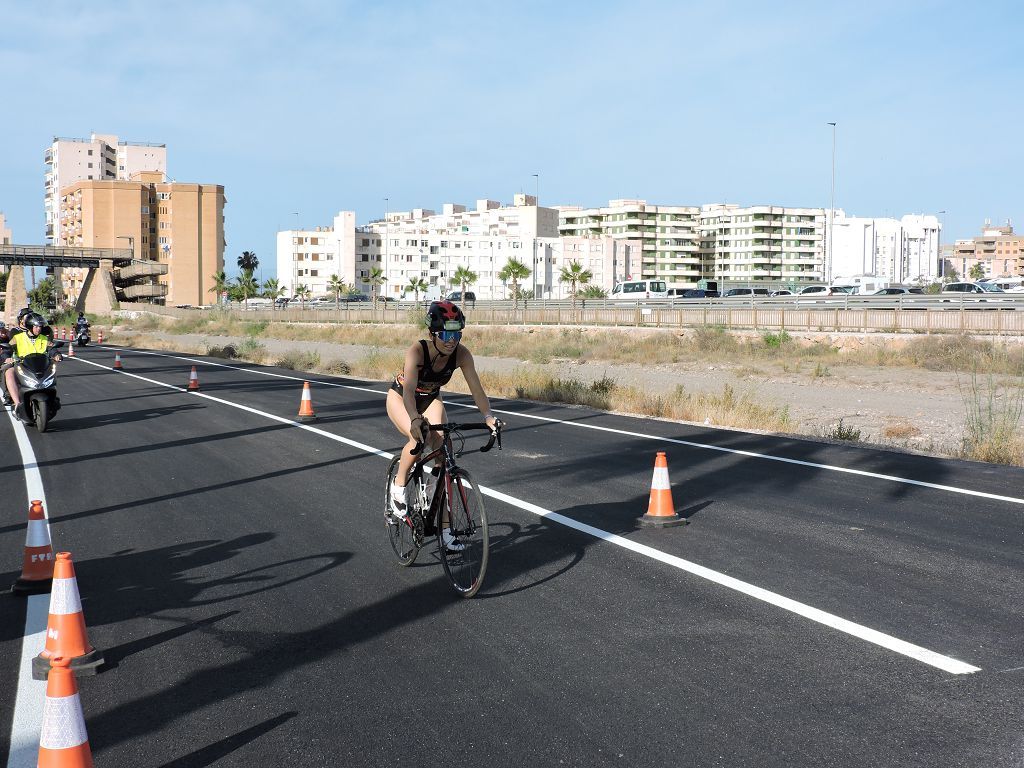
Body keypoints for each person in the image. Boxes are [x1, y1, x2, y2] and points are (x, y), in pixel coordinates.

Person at [386, 301, 499, 550]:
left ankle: (446, 530)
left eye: (457, 334)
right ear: (432, 334)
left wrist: (488, 417)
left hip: (431, 398)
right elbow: (407, 393)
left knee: (445, 454)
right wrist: (415, 418)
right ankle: (399, 486)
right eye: (446, 334)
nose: (452, 340)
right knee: (419, 439)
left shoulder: (462, 354)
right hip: (402, 397)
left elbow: (476, 389)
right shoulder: (417, 351)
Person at [5, 313, 62, 422]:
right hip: (22, 364)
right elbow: (7, 350)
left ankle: (52, 399)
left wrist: (56, 355)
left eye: (40, 326)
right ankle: (17, 404)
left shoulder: (44, 338)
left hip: (41, 366)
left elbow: (52, 349)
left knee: (53, 369)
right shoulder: (17, 338)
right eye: (36, 326)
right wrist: (7, 357)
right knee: (9, 372)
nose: (38, 329)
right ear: (30, 326)